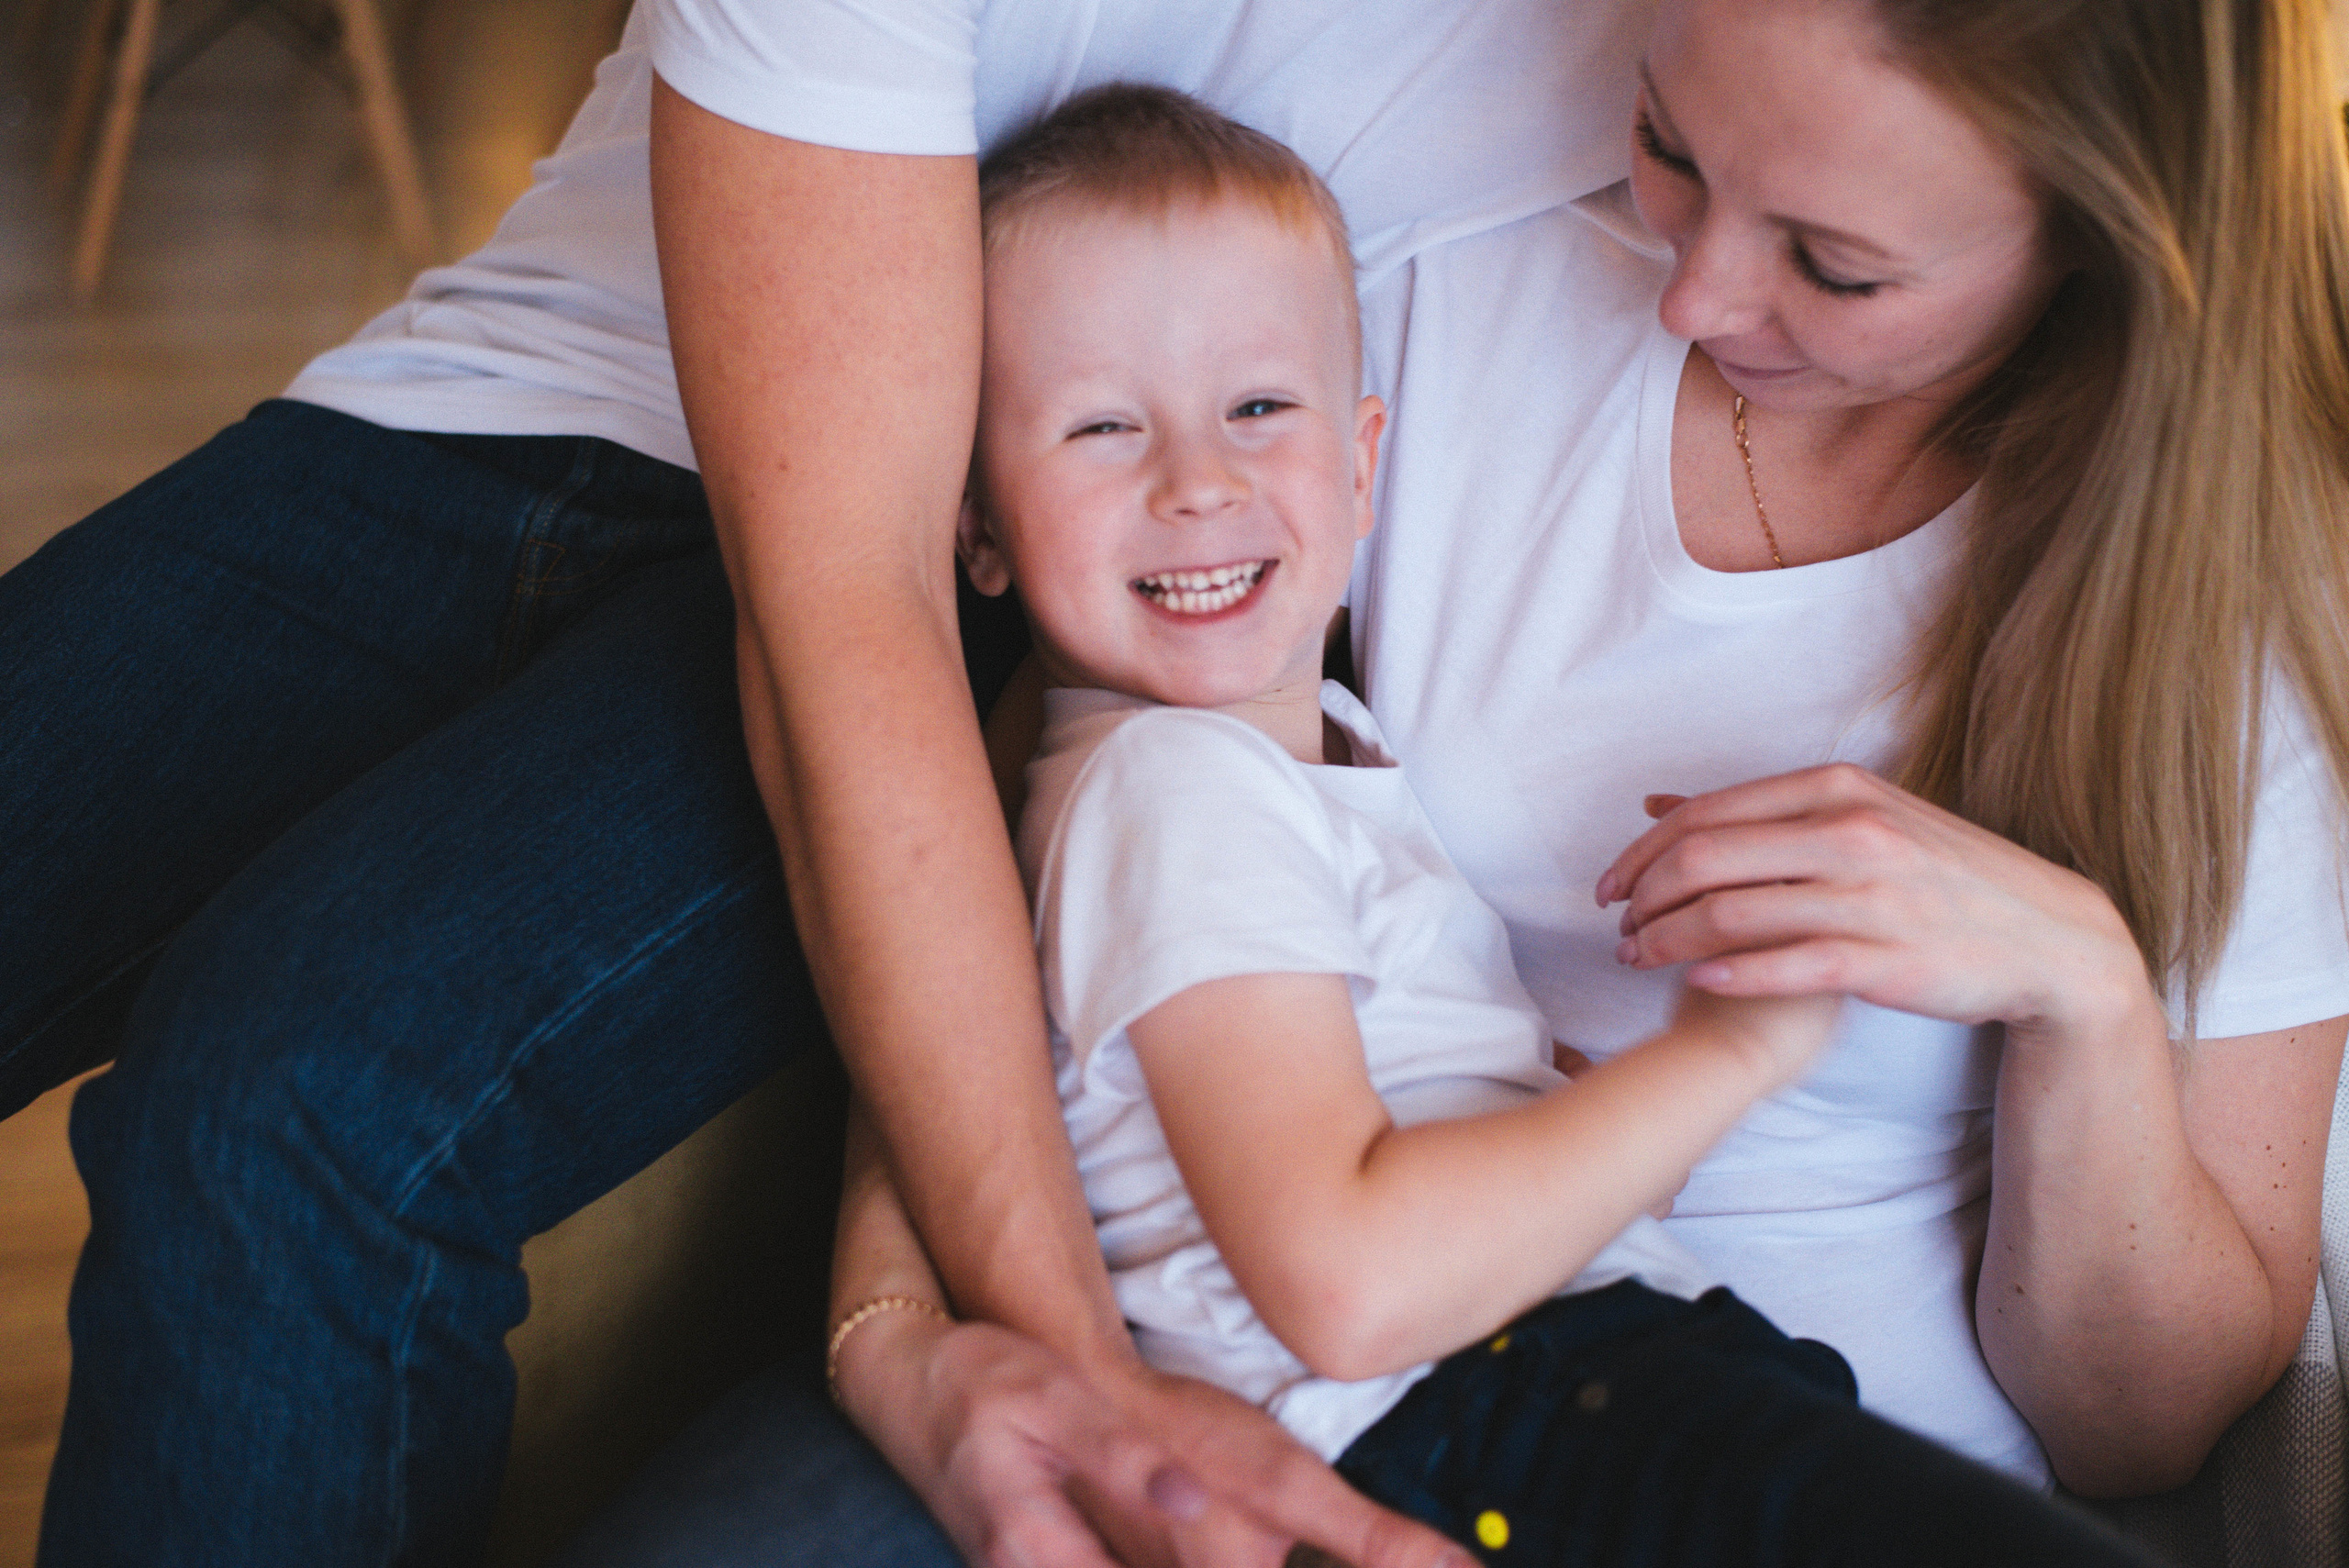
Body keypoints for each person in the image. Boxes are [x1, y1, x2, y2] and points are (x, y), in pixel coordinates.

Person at [563, 1, 2349, 1564]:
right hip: (1248, 1365)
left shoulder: (2231, 615)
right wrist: (901, 1323)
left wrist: (2081, 999)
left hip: (1735, 1410)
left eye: (1834, 262)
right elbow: (1027, 831)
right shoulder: (1386, 308)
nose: (1692, 289)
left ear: (2108, 236)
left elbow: (2144, 1432)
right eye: (1667, 142)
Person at [843, 81, 2154, 1566]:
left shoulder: (1319, 764)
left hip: (1547, 1385)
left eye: (1259, 407)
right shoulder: (1176, 788)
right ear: (981, 528)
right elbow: (1346, 1278)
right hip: (1482, 1412)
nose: (1196, 480)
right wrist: (1720, 1059)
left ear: (1360, 464)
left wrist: (1557, 1121)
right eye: (1098, 425)